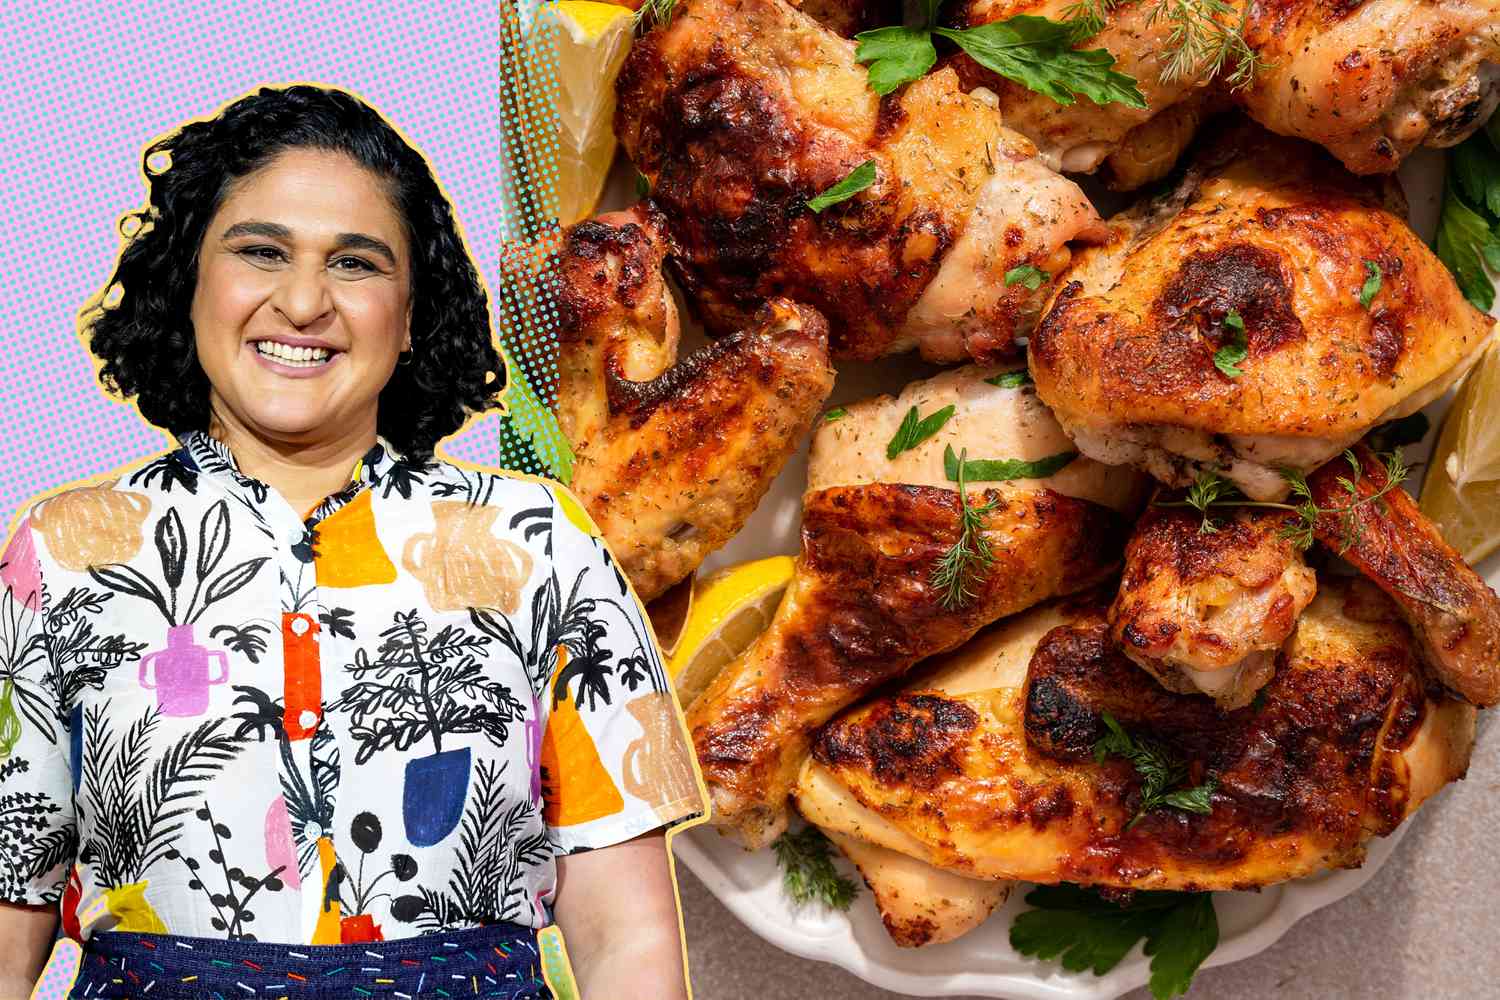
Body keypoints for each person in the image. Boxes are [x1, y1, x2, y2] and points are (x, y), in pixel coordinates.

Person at [0, 84, 705, 1000]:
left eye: (357, 264)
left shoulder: (544, 545)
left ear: (411, 316)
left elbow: (626, 940)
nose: (303, 302)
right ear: (191, 282)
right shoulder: (60, 553)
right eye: (260, 252)